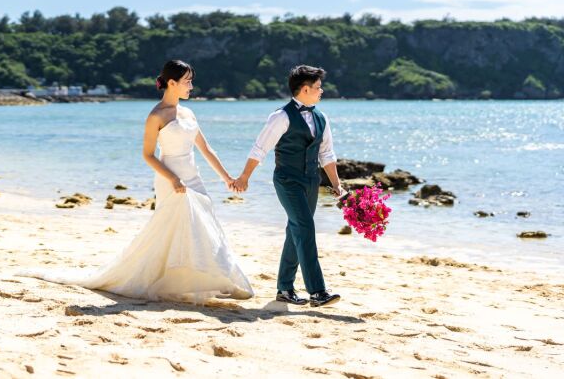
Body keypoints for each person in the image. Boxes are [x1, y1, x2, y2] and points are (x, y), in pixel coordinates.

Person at [18, 60, 253, 303]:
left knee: (204, 226)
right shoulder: (156, 115)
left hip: (194, 178)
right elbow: (148, 155)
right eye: (187, 81)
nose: (191, 86)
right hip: (170, 178)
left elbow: (206, 149)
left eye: (191, 81)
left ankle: (217, 280)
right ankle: (173, 280)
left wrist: (227, 178)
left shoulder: (189, 113)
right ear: (172, 83)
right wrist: (173, 178)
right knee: (174, 230)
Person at [233, 65, 342, 307]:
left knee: (295, 231)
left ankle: (284, 289)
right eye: (318, 87)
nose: (321, 91)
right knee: (305, 227)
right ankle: (318, 292)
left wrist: (337, 185)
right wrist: (244, 177)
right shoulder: (280, 117)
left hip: (311, 181)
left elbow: (327, 154)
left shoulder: (322, 118)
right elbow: (260, 149)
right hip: (287, 180)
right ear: (305, 89)